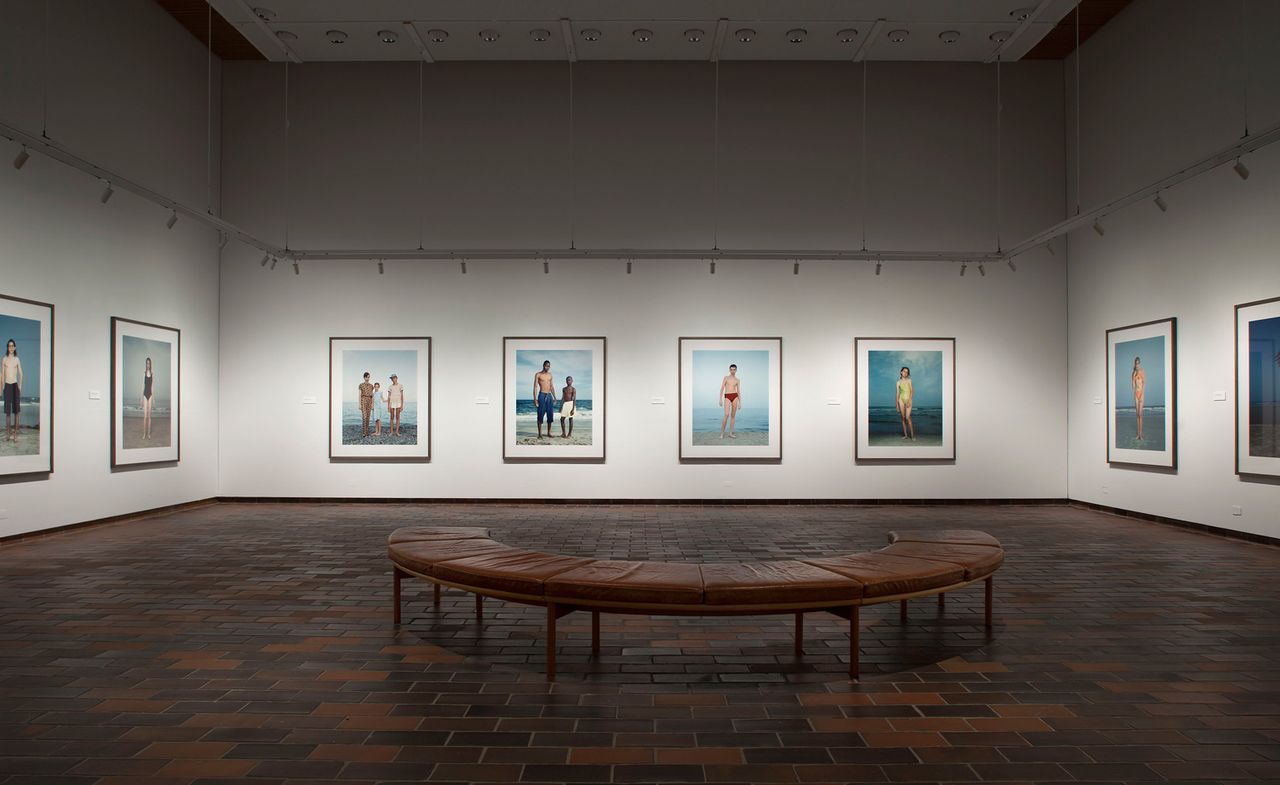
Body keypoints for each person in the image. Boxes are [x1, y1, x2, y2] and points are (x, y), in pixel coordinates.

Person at [2, 339, 21, 443]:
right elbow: (2, 375)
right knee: (8, 413)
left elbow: (21, 374)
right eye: (9, 346)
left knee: (16, 412)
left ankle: (15, 436)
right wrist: (1, 389)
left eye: (12, 346)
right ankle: (8, 435)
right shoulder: (4, 359)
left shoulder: (17, 359)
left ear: (15, 347)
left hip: (14, 385)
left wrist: (20, 386)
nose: (11, 348)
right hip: (7, 385)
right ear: (7, 347)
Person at [533, 360, 556, 438]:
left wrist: (555, 397)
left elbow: (551, 386)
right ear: (543, 365)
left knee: (550, 415)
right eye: (546, 366)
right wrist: (535, 399)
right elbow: (535, 387)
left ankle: (549, 433)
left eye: (549, 366)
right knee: (540, 414)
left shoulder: (550, 375)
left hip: (549, 396)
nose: (548, 367)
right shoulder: (538, 374)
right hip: (542, 395)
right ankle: (540, 434)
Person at [719, 363, 741, 439]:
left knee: (733, 416)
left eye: (734, 369)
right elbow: (722, 388)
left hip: (735, 396)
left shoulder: (737, 380)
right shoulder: (726, 378)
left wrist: (740, 402)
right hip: (727, 396)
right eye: (731, 369)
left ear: (736, 370)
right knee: (726, 414)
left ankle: (730, 433)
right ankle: (722, 433)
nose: (732, 371)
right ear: (729, 370)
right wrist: (720, 399)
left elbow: (738, 391)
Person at [896, 366, 916, 441]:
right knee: (903, 418)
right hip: (901, 399)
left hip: (908, 399)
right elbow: (897, 393)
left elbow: (912, 391)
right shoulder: (898, 382)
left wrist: (909, 401)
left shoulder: (909, 381)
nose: (905, 373)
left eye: (907, 372)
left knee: (907, 417)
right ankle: (906, 435)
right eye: (904, 371)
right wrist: (897, 404)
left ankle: (913, 435)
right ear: (901, 372)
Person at [1131, 356, 1146, 441]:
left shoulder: (1142, 371)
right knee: (1137, 415)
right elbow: (1133, 386)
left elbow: (1144, 383)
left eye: (1138, 363)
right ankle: (1138, 434)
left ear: (1139, 363)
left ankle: (1141, 433)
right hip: (1135, 394)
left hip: (1141, 394)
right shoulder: (1133, 373)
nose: (1137, 365)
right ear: (1135, 364)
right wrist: (1133, 380)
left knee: (1140, 415)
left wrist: (1142, 394)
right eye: (1136, 363)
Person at [358, 372, 375, 437]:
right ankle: (364, 432)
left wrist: (372, 404)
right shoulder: (361, 385)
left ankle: (366, 431)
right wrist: (359, 404)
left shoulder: (371, 386)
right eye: (367, 377)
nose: (368, 378)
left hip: (369, 401)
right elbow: (359, 395)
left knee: (368, 417)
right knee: (364, 416)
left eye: (369, 377)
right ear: (364, 377)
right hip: (363, 400)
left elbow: (372, 395)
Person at [141, 357, 154, 440]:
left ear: (150, 364)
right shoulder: (144, 373)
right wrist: (141, 397)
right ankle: (144, 433)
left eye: (149, 363)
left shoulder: (152, 374)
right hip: (145, 395)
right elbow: (142, 385)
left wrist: (154, 397)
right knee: (145, 416)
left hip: (150, 395)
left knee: (149, 416)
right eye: (147, 363)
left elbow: (152, 386)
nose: (148, 365)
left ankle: (149, 434)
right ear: (146, 364)